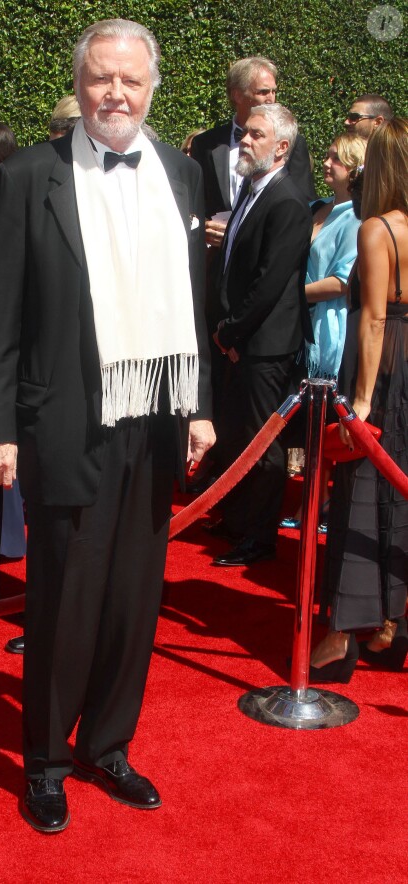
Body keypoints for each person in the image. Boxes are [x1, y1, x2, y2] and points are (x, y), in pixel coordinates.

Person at [0, 18, 214, 833]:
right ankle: (43, 762)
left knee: (132, 598)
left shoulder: (178, 172)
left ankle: (108, 743)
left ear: (151, 89)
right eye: (101, 78)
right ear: (78, 85)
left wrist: (201, 404)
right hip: (63, 420)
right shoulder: (29, 176)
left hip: (153, 419)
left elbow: (191, 298)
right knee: (64, 599)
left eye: (130, 81)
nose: (115, 93)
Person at [310, 118, 408, 682]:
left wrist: (362, 402)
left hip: (383, 368)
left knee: (364, 489)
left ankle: (341, 634)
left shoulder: (378, 229)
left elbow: (371, 318)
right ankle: (392, 626)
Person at [209, 104, 312, 566]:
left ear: (282, 147)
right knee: (236, 433)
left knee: (263, 442)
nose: (244, 140)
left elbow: (270, 282)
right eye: (245, 132)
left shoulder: (287, 201)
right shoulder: (254, 191)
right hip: (242, 340)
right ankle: (237, 519)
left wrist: (232, 331)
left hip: (265, 344)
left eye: (256, 134)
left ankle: (260, 536)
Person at [280, 133, 366, 532]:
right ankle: (312, 504)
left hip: (329, 329)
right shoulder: (317, 207)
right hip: (300, 326)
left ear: (355, 171)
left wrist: (289, 295)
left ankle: (319, 506)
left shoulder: (356, 218)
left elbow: (341, 281)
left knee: (323, 423)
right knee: (305, 425)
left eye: (337, 159)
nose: (327, 162)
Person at [191, 57, 315, 257]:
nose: (271, 99)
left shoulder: (291, 143)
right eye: (263, 92)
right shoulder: (205, 144)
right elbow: (195, 203)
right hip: (215, 262)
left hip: (265, 256)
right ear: (237, 95)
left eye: (274, 91)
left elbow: (304, 205)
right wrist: (204, 227)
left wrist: (239, 234)